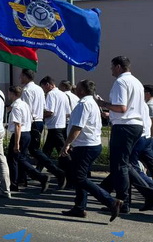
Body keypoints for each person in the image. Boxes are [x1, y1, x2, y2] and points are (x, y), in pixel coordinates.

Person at [60, 79, 123, 221]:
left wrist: (67, 144)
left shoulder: (83, 104)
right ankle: (79, 207)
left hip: (85, 146)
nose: (75, 88)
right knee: (81, 177)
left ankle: (111, 202)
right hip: (92, 144)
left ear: (82, 91)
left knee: (79, 178)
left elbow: (77, 127)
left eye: (78, 87)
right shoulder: (92, 102)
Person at [95, 56, 148, 214]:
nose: (111, 70)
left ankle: (122, 202)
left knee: (120, 166)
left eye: (112, 67)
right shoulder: (137, 82)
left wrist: (103, 104)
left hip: (124, 126)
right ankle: (144, 194)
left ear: (118, 67)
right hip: (136, 126)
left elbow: (121, 108)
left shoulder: (120, 82)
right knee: (124, 165)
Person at [20, 69, 66, 188]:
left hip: (31, 122)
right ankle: (24, 176)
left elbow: (26, 108)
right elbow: (44, 106)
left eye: (21, 76)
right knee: (37, 150)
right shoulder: (39, 89)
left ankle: (55, 172)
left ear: (25, 77)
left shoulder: (27, 90)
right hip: (39, 121)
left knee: (32, 150)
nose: (20, 78)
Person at [6, 86, 51, 193]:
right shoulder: (24, 104)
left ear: (12, 94)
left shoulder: (16, 107)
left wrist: (16, 143)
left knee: (13, 160)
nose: (8, 95)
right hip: (27, 133)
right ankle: (24, 180)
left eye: (9, 93)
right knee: (20, 159)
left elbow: (18, 126)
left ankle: (16, 182)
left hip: (20, 135)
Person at [41, 76, 72, 181]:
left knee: (62, 151)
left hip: (54, 126)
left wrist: (41, 116)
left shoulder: (51, 94)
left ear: (48, 85)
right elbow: (68, 113)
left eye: (43, 87)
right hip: (61, 125)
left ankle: (72, 171)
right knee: (47, 150)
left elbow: (50, 111)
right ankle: (38, 170)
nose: (44, 90)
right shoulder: (63, 95)